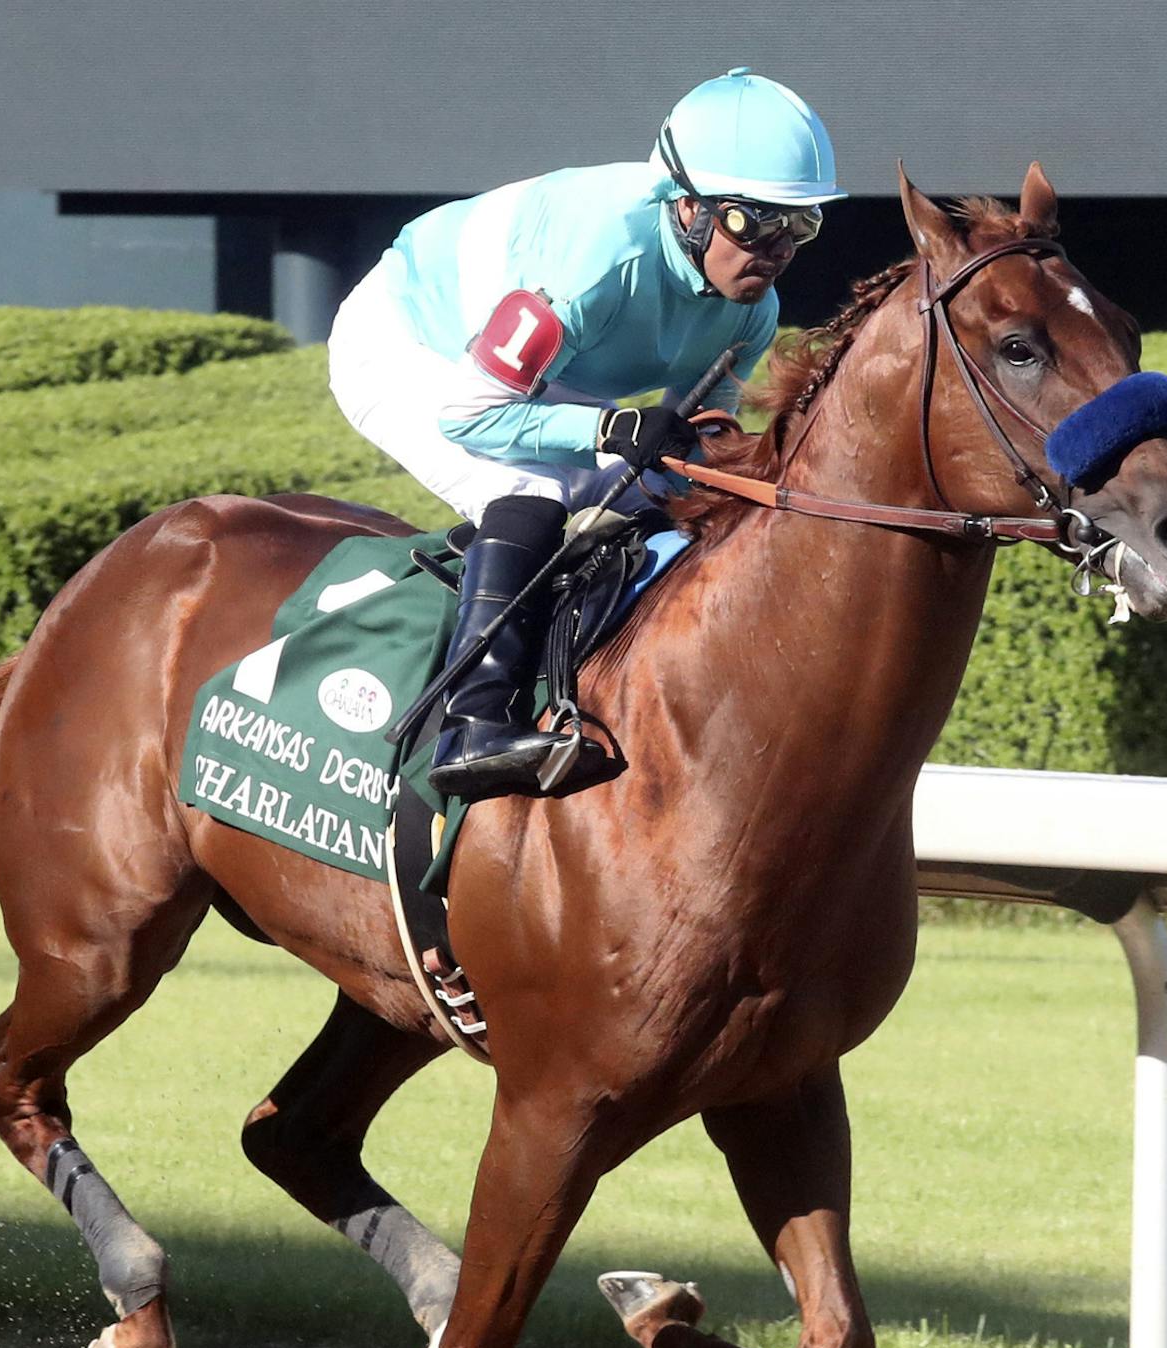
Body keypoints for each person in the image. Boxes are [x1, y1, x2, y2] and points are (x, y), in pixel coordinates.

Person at [327, 69, 843, 801]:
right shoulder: (592, 266)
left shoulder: (750, 312)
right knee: (531, 488)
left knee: (663, 504)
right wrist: (611, 424)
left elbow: (688, 450)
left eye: (799, 224)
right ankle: (473, 722)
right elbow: (469, 414)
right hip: (415, 345)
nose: (776, 248)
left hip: (533, 376)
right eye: (751, 222)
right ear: (688, 206)